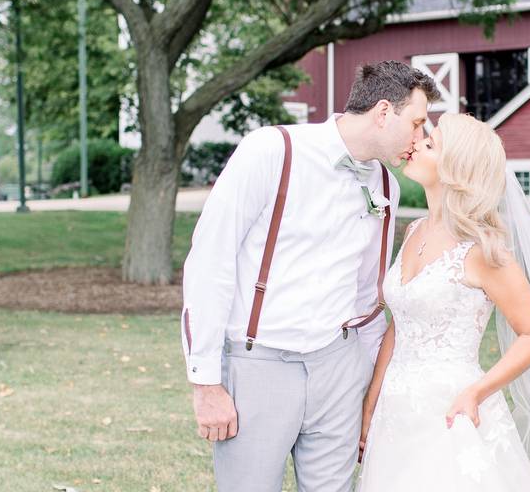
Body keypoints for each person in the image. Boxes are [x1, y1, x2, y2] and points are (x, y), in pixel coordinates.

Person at [180, 60, 438, 492]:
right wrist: (206, 382)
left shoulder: (386, 186)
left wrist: (372, 381)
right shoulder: (271, 150)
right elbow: (210, 260)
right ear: (382, 113)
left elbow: (368, 292)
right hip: (259, 362)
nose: (420, 138)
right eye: (415, 123)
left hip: (340, 367)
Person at [357, 113, 530, 492]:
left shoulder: (482, 250)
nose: (415, 144)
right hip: (395, 412)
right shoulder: (414, 230)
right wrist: (371, 405)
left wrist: (477, 391)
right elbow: (400, 325)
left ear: (454, 169)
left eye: (430, 144)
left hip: (450, 409)